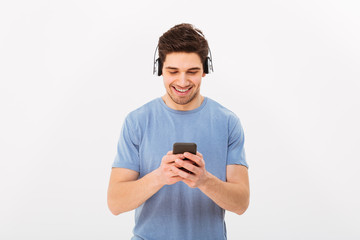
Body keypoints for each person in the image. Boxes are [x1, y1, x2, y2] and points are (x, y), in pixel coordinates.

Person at [107, 23, 250, 240]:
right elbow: (115, 203)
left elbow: (241, 204)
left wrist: (203, 180)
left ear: (205, 70)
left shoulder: (228, 122)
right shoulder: (136, 122)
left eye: (192, 72)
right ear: (160, 70)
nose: (182, 82)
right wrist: (159, 177)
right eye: (173, 71)